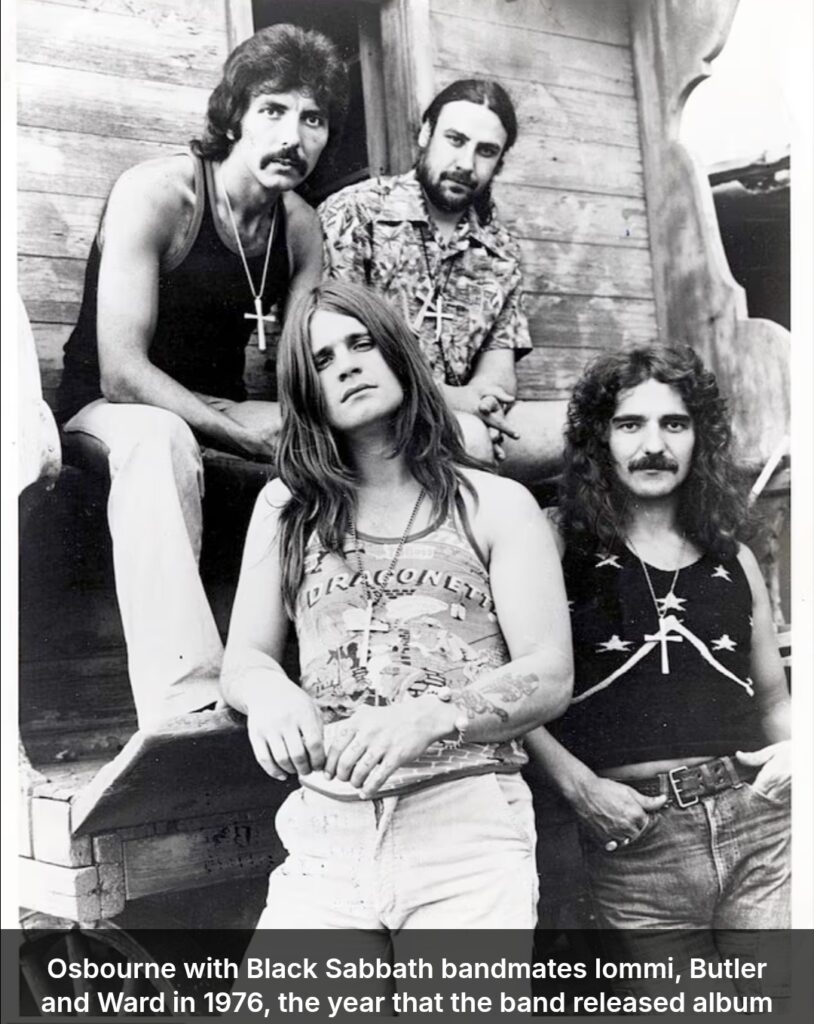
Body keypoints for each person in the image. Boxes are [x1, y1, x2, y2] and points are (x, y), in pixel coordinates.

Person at [221, 280, 573, 929]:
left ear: (398, 354)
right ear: (305, 389)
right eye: (322, 360)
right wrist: (269, 693)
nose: (346, 365)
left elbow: (550, 673)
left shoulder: (494, 504)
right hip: (326, 832)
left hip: (464, 830)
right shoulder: (286, 509)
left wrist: (432, 715)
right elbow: (244, 657)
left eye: (361, 344)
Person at [54, 25, 349, 728]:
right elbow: (123, 373)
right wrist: (244, 438)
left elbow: (302, 372)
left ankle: (341, 675)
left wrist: (309, 427)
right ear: (234, 116)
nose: (293, 137)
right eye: (273, 110)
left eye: (312, 119)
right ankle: (186, 705)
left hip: (213, 404)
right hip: (109, 410)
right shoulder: (159, 194)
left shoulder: (300, 227)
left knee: (338, 438)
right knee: (160, 439)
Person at [526, 347, 790, 987]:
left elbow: (774, 701)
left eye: (674, 424)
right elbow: (513, 689)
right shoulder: (555, 542)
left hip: (760, 826)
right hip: (635, 841)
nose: (653, 445)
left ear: (701, 438)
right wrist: (581, 789)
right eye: (629, 424)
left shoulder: (734, 557)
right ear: (600, 439)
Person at [319, 79, 565, 468]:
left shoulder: (500, 249)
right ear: (426, 134)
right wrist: (461, 405)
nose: (466, 164)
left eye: (486, 151)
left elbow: (498, 372)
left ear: (500, 162)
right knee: (472, 439)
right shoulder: (355, 213)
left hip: (466, 420)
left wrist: (486, 405)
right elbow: (342, 358)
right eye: (455, 140)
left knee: (587, 427)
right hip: (375, 420)